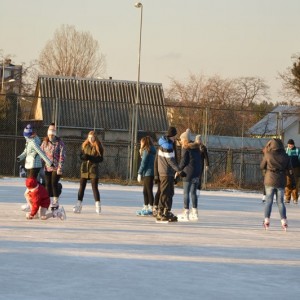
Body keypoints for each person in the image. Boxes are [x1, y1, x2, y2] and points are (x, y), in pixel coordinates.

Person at [260, 138, 295, 230]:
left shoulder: (268, 155)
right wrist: (293, 181)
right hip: (281, 180)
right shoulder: (286, 156)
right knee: (280, 202)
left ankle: (266, 220)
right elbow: (290, 170)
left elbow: (262, 166)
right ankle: (284, 221)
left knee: (269, 202)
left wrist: (266, 169)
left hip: (269, 179)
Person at [17, 124, 53, 211]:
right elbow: (26, 152)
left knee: (31, 187)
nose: (25, 137)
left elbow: (41, 153)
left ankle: (33, 205)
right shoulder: (29, 141)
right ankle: (35, 203)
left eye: (26, 136)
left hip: (34, 166)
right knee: (33, 186)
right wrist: (20, 157)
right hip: (30, 165)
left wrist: (49, 163)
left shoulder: (33, 142)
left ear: (29, 135)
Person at [156, 126, 183, 222]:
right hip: (166, 172)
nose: (176, 137)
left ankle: (166, 211)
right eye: (175, 135)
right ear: (172, 135)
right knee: (166, 193)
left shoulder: (166, 144)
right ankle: (161, 212)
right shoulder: (167, 146)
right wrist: (179, 170)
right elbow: (171, 161)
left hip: (167, 172)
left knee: (169, 192)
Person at [73, 131, 104, 214]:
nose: (91, 139)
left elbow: (100, 159)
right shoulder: (84, 145)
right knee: (81, 187)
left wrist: (90, 157)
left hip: (93, 170)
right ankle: (78, 204)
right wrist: (84, 157)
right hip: (84, 169)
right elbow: (81, 155)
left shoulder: (98, 146)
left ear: (95, 137)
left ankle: (98, 205)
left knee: (94, 188)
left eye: (92, 137)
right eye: (89, 137)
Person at [177, 129, 202, 222]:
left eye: (181, 140)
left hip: (188, 173)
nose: (180, 142)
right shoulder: (196, 148)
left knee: (186, 193)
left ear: (185, 140)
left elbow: (184, 161)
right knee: (193, 193)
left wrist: (178, 169)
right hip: (196, 173)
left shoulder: (186, 148)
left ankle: (186, 212)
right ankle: (195, 212)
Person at [41, 123, 66, 210]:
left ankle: (55, 201)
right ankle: (48, 201)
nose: (51, 136)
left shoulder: (60, 143)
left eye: (52, 134)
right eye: (49, 134)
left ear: (55, 134)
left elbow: (62, 156)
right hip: (47, 167)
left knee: (53, 183)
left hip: (56, 168)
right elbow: (41, 153)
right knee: (47, 184)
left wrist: (60, 167)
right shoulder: (45, 143)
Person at [136, 136, 156, 216]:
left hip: (148, 173)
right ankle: (146, 206)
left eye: (141, 142)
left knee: (148, 191)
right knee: (145, 191)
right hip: (150, 173)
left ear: (144, 143)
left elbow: (143, 163)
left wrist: (139, 173)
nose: (140, 144)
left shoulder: (146, 151)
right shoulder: (151, 150)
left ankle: (151, 207)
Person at [285, 139, 300, 204]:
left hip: (296, 169)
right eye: (289, 144)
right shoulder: (286, 150)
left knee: (295, 184)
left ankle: (295, 198)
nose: (290, 145)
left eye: (291, 144)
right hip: (288, 169)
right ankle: (287, 198)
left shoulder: (297, 150)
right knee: (288, 184)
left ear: (293, 144)